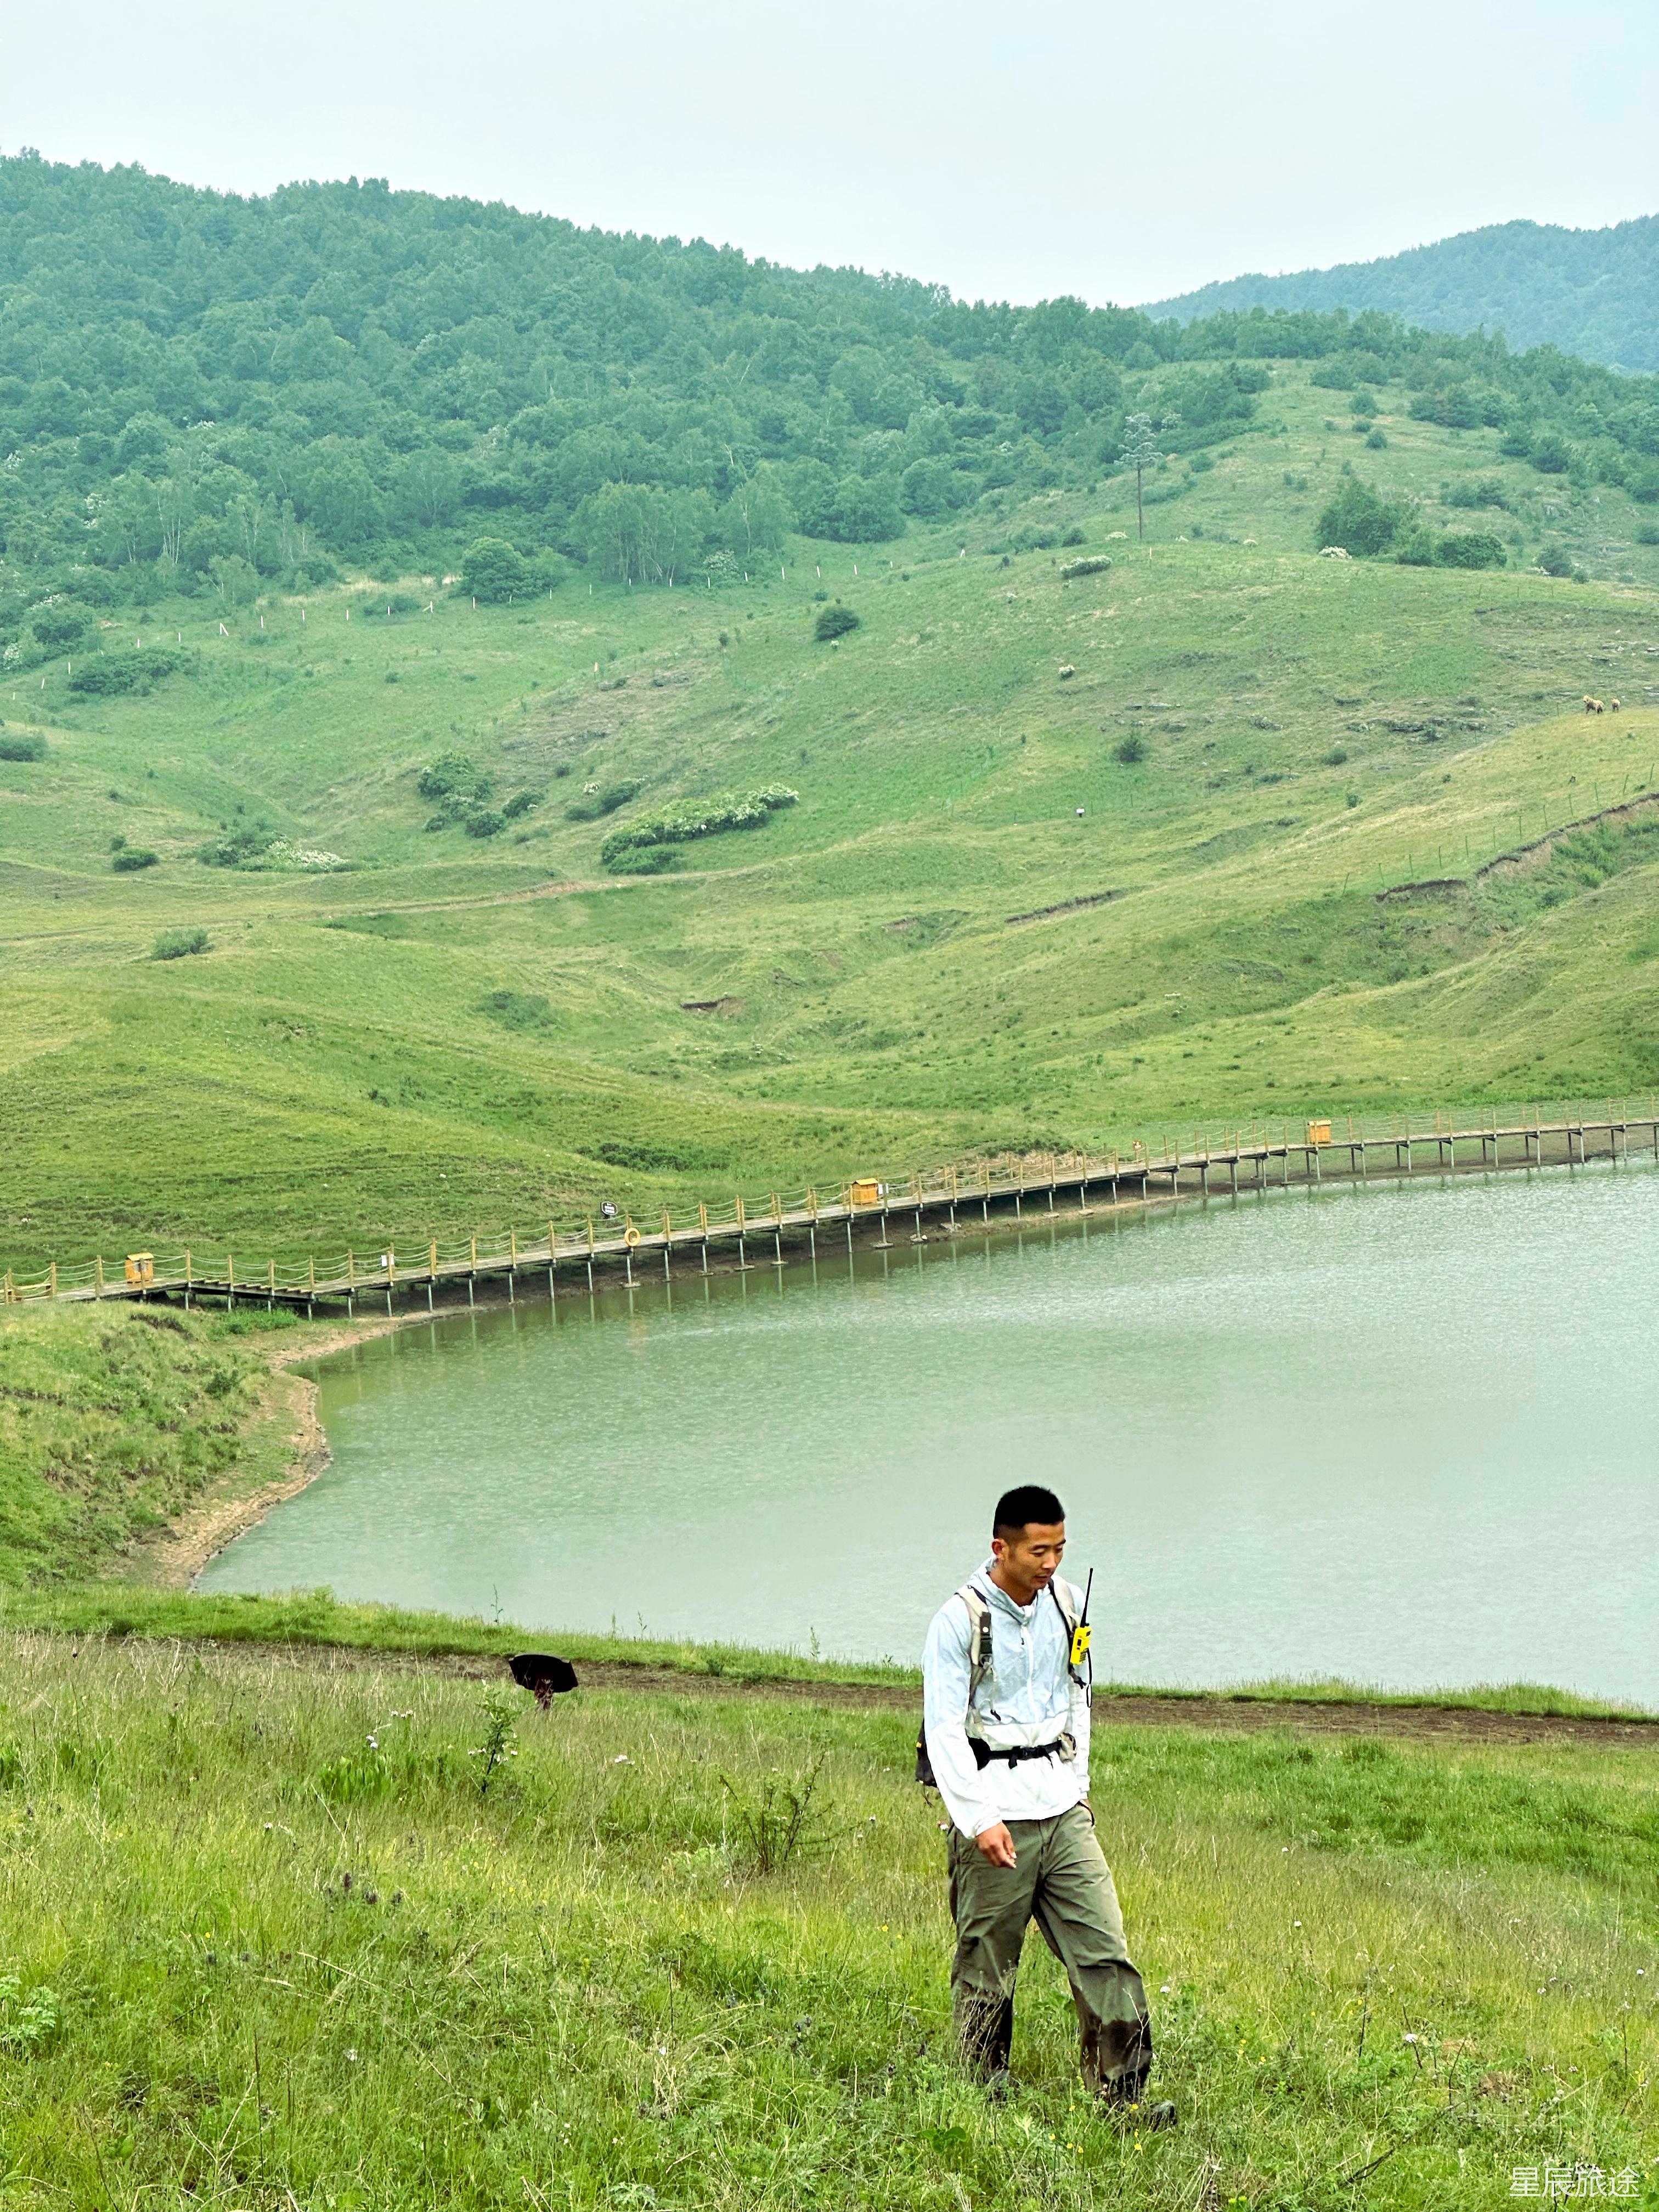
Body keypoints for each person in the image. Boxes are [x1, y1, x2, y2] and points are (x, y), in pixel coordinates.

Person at [921, 1483, 1173, 2123]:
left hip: (1063, 1813)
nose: (1052, 1563)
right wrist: (980, 1820)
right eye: (1039, 1551)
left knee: (1106, 1953)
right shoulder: (958, 1620)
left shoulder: (1068, 1606)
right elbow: (944, 1729)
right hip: (994, 1817)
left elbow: (1079, 1699)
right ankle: (981, 2102)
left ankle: (1123, 2101)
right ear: (1000, 1548)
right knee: (987, 1967)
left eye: (1060, 1549)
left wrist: (1079, 1791)